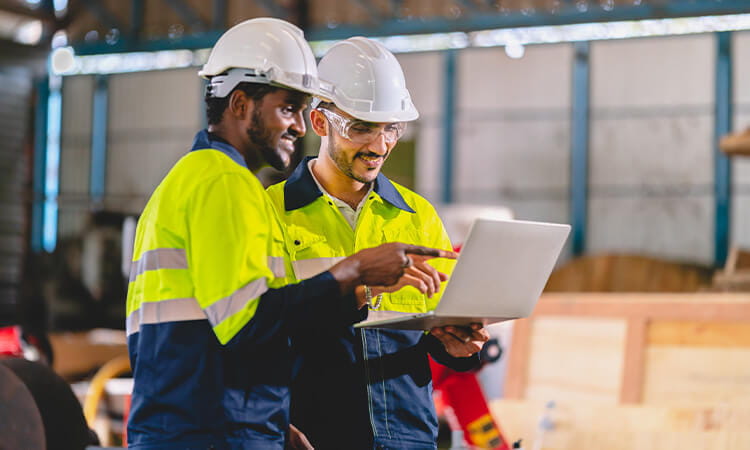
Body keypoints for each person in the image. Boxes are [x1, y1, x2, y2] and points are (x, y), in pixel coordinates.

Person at [125, 20, 455, 450]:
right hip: (212, 431)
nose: (298, 126)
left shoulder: (204, 177)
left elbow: (241, 328)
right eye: (288, 109)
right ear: (240, 104)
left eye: (391, 128)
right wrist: (354, 274)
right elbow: (248, 325)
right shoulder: (227, 185)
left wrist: (272, 424)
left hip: (218, 426)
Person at [266, 37, 489, 450]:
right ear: (319, 122)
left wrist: (460, 347)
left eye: (391, 128)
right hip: (312, 435)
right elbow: (258, 330)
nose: (379, 145)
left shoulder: (416, 215)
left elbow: (435, 326)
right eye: (361, 128)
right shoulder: (271, 213)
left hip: (408, 436)